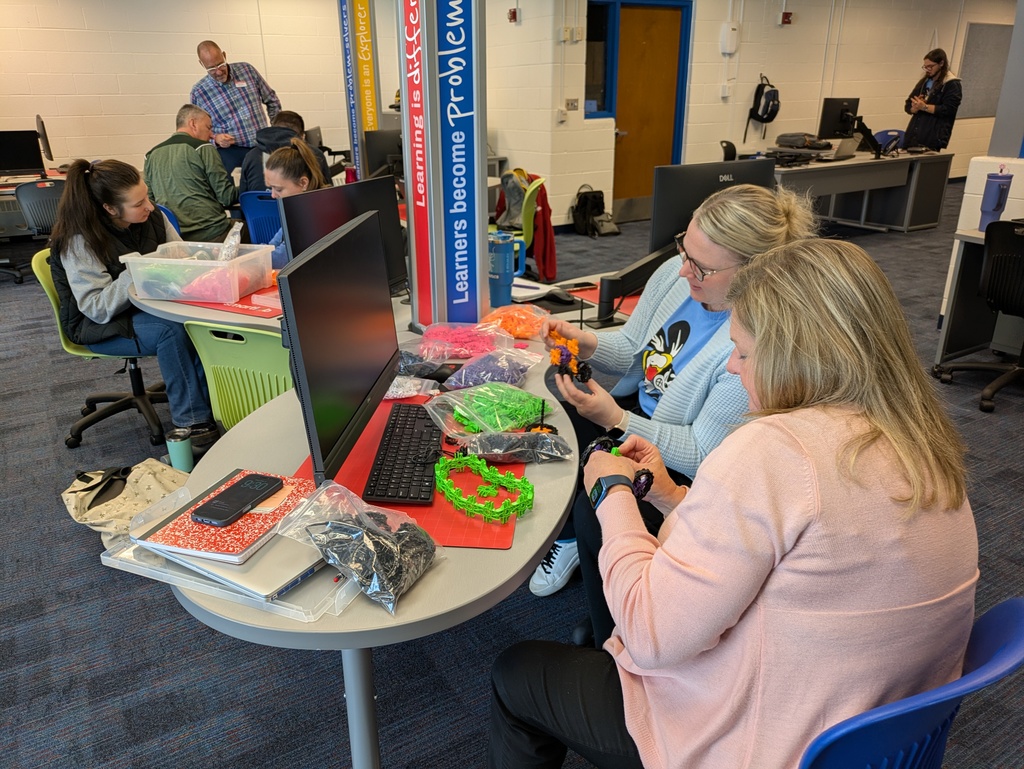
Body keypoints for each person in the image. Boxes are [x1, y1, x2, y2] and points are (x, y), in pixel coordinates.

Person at [488, 238, 979, 769]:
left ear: (795, 357)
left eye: (742, 352)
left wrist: (612, 495)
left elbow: (651, 636)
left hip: (761, 739)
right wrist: (671, 495)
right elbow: (789, 549)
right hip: (864, 729)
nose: (730, 368)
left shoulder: (774, 449)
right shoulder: (923, 439)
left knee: (518, 674)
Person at [529, 184, 817, 604]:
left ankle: (610, 610)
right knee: (553, 400)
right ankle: (570, 534)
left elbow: (701, 452)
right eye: (685, 250)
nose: (684, 271)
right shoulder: (678, 275)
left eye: (701, 268)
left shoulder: (753, 345)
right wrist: (585, 340)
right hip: (641, 410)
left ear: (754, 273)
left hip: (682, 454)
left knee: (595, 513)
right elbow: (633, 348)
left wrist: (615, 419)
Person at [48, 159, 217, 446]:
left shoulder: (154, 217)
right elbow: (96, 308)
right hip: (98, 325)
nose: (149, 206)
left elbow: (179, 258)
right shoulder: (80, 240)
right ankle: (192, 422)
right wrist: (135, 273)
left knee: (200, 320)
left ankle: (218, 407)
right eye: (139, 203)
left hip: (149, 306)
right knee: (171, 332)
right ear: (110, 209)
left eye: (147, 196)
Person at [144, 104, 240, 243]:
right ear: (193, 123)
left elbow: (151, 202)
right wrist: (248, 186)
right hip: (212, 233)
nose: (211, 135)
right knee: (250, 231)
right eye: (208, 128)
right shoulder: (203, 148)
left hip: (174, 238)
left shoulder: (151, 155)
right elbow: (225, 197)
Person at [190, 40, 282, 174]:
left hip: (263, 146)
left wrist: (276, 130)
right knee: (238, 193)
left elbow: (271, 99)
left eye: (220, 64)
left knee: (271, 188)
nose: (219, 72)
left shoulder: (247, 70)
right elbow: (197, 132)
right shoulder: (199, 92)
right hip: (231, 153)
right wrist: (215, 139)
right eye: (211, 68)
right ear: (201, 64)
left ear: (224, 55)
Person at [262, 137, 328, 268]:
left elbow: (281, 259)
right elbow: (272, 246)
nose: (273, 195)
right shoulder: (298, 210)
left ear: (303, 183)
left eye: (278, 189)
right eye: (271, 188)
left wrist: (244, 256)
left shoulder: (314, 216)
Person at [239, 110, 331, 195]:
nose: (272, 195)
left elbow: (243, 197)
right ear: (302, 136)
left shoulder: (251, 156)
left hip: (258, 211)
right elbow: (328, 194)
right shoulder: (315, 154)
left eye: (278, 189)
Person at [903, 48, 962, 151]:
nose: (927, 70)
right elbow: (908, 104)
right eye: (925, 67)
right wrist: (915, 108)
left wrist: (924, 107)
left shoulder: (952, 84)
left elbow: (948, 110)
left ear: (941, 63)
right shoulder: (925, 82)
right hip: (913, 135)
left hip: (933, 137)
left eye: (930, 66)